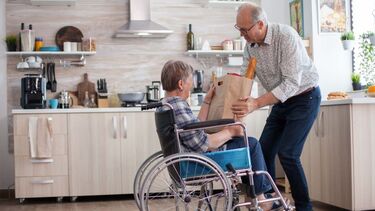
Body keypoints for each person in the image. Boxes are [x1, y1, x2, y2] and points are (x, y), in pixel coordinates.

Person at [158, 60, 286, 211]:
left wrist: (206, 101)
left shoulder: (167, 105)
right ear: (181, 84)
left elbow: (193, 128)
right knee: (251, 144)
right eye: (190, 82)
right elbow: (203, 144)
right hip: (197, 163)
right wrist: (230, 131)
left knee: (240, 141)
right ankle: (260, 199)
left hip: (185, 161)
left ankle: (254, 197)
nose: (191, 86)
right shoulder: (178, 106)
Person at [231, 3, 321, 211]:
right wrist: (233, 101)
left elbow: (291, 83)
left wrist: (255, 103)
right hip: (280, 102)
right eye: (239, 29)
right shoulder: (249, 46)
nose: (242, 34)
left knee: (288, 153)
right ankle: (272, 202)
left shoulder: (286, 37)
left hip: (304, 98)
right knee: (263, 151)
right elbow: (246, 78)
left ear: (260, 24)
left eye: (245, 29)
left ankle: (304, 206)